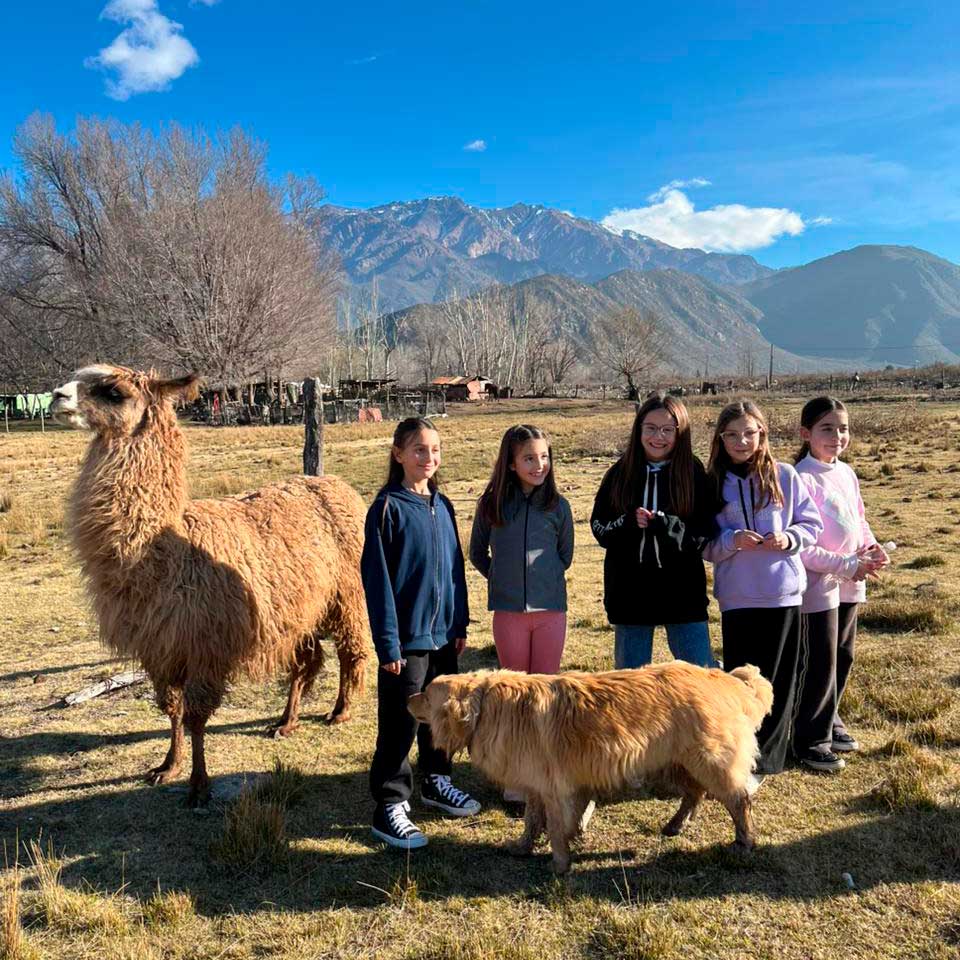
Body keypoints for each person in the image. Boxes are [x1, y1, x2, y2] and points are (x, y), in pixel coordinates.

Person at [361, 417, 480, 849]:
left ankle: (437, 781)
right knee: (401, 723)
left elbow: (454, 571)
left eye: (434, 450)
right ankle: (389, 805)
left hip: (444, 636)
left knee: (443, 715)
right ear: (398, 454)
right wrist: (389, 643)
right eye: (418, 450)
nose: (429, 458)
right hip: (406, 641)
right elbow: (378, 585)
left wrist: (459, 623)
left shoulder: (443, 505)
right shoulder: (387, 509)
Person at [703, 399, 822, 776]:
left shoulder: (785, 475)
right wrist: (732, 541)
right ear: (720, 439)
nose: (742, 442)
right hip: (737, 598)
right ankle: (743, 752)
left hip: (782, 594)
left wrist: (789, 539)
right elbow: (704, 544)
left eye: (749, 434)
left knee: (780, 680)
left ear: (762, 435)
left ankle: (770, 756)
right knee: (742, 681)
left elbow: (811, 524)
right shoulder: (711, 484)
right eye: (732, 435)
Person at [793, 397, 888, 772]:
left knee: (843, 654)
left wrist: (872, 547)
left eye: (843, 428)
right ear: (806, 433)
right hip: (819, 585)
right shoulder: (801, 477)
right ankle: (809, 739)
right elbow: (804, 545)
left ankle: (831, 720)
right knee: (819, 659)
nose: (837, 436)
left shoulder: (846, 473)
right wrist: (847, 564)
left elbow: (858, 519)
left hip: (851, 580)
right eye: (827, 429)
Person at [591, 394, 719, 669]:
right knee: (630, 683)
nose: (657, 436)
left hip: (683, 593)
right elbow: (599, 527)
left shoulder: (692, 473)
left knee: (701, 675)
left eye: (667, 430)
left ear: (680, 432)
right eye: (650, 428)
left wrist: (669, 527)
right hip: (629, 594)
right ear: (638, 429)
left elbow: (706, 529)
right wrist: (626, 524)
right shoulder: (619, 473)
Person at [469, 424, 574, 675]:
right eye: (529, 458)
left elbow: (565, 555)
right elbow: (477, 553)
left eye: (544, 456)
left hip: (551, 611)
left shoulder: (559, 506)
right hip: (508, 612)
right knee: (514, 691)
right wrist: (501, 576)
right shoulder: (491, 504)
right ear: (511, 463)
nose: (539, 465)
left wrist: (544, 578)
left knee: (546, 690)